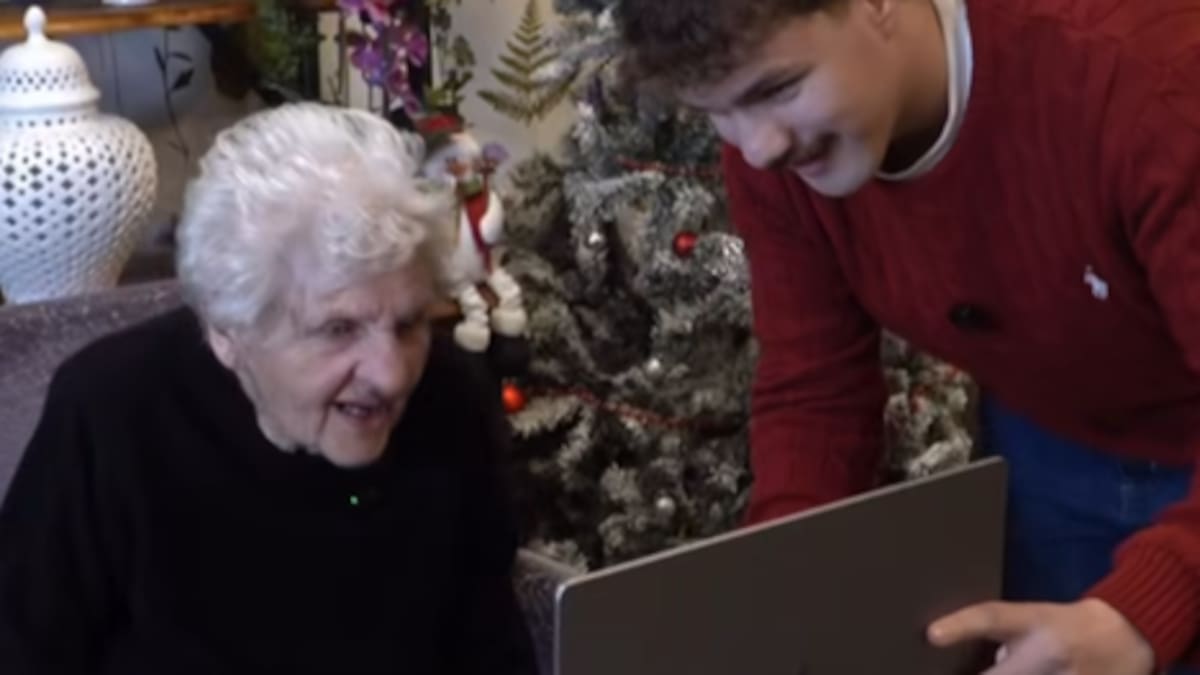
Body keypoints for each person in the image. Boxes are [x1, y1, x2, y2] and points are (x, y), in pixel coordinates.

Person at [616, 0, 1200, 673]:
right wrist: (783, 591)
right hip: (1052, 443)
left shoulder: (1149, 83)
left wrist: (1146, 606)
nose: (757, 147)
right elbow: (815, 387)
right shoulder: (774, 156)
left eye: (777, 89)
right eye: (716, 112)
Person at [0, 103, 537, 675]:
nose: (391, 374)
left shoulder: (450, 401)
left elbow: (492, 652)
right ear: (228, 332)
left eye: (408, 324)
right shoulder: (111, 414)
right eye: (338, 329)